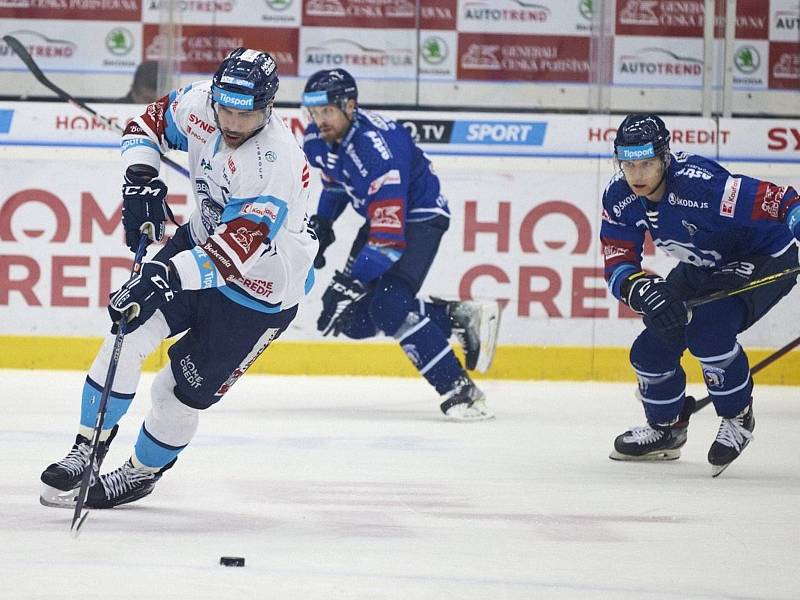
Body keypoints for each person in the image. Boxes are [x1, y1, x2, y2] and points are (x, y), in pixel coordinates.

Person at [39, 48, 318, 508]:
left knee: (174, 394)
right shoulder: (199, 103)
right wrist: (141, 178)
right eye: (223, 107)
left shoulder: (276, 164)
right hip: (196, 243)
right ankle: (87, 445)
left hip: (259, 292)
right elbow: (147, 123)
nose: (230, 121)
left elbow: (232, 256)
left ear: (268, 108)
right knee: (127, 329)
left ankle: (140, 473)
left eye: (243, 114)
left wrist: (161, 276)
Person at [601, 113, 800, 476]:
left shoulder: (702, 186)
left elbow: (782, 200)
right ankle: (667, 428)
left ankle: (738, 416)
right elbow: (617, 261)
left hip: (764, 257)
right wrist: (642, 290)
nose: (637, 175)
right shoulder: (620, 198)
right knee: (648, 351)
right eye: (628, 164)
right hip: (705, 264)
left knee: (708, 332)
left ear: (664, 157)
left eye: (646, 163)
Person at [301, 68, 500, 421]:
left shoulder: (378, 154)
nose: (319, 121)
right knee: (353, 320)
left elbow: (389, 240)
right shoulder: (320, 138)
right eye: (314, 113)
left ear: (350, 106)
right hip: (381, 218)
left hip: (420, 218)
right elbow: (335, 184)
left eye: (327, 111)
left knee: (389, 307)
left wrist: (349, 281)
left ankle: (461, 391)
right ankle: (454, 316)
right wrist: (323, 222)